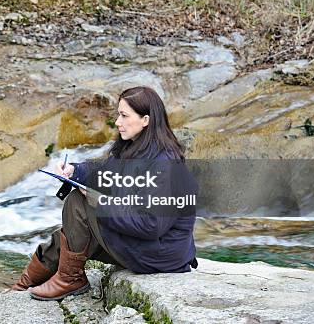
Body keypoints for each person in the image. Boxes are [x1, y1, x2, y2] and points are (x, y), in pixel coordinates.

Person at [11, 86, 197, 301]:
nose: (118, 122)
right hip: (144, 246)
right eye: (119, 114)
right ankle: (20, 288)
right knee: (68, 235)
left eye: (124, 116)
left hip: (159, 255)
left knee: (78, 203)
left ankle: (70, 279)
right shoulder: (133, 147)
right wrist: (75, 171)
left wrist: (100, 203)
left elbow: (152, 226)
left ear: (145, 120)